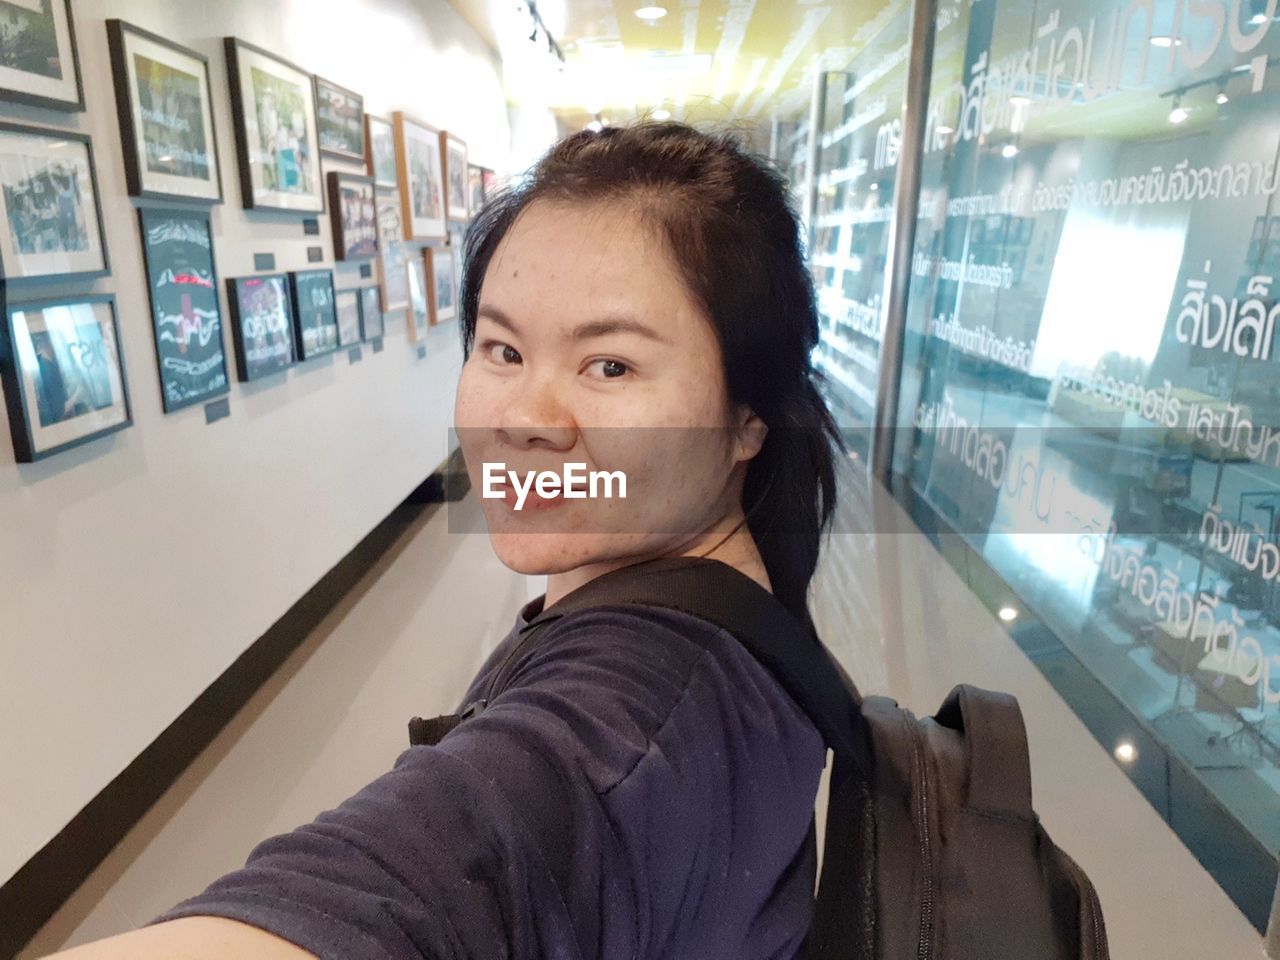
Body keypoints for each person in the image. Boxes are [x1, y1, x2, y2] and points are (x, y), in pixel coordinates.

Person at [42, 120, 844, 960]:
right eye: (501, 348)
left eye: (610, 366)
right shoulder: (722, 616)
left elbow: (450, 864)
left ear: (748, 418)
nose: (526, 420)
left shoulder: (638, 720)